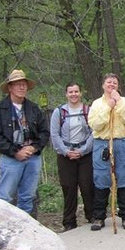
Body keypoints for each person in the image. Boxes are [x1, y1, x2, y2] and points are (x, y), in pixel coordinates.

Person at [0, 69, 50, 216]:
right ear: (10, 87)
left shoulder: (34, 108)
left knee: (27, 197)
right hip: (11, 158)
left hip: (32, 158)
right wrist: (15, 152)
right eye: (18, 84)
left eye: (24, 84)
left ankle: (25, 229)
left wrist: (34, 147)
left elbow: (44, 132)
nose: (22, 87)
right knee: (4, 197)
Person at [88, 73, 125, 231]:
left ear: (118, 85)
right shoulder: (96, 104)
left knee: (124, 178)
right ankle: (99, 217)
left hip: (121, 143)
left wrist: (118, 102)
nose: (111, 85)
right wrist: (108, 106)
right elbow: (95, 124)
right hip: (102, 143)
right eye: (109, 82)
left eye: (114, 82)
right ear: (103, 85)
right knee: (101, 179)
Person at [50, 82, 94, 231]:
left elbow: (94, 133)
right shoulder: (59, 112)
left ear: (80, 93)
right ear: (66, 94)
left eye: (76, 91)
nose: (74, 94)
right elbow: (54, 135)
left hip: (85, 154)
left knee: (87, 186)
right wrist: (65, 151)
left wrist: (83, 150)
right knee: (68, 188)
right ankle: (69, 222)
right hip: (65, 155)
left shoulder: (88, 110)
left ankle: (92, 216)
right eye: (70, 92)